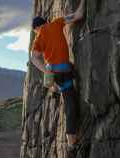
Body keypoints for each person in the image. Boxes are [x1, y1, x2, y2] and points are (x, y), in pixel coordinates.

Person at [30, 0, 86, 156]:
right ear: (45, 23)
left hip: (55, 74)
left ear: (36, 28)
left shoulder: (39, 37)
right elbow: (79, 15)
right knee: (69, 103)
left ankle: (53, 88)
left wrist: (47, 72)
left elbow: (34, 58)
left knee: (59, 88)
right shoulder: (56, 23)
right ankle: (71, 142)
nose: (37, 33)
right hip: (64, 71)